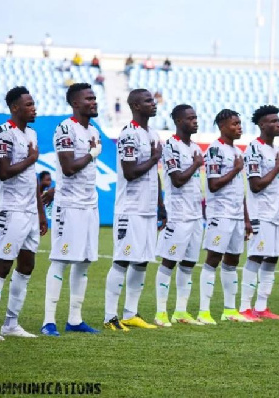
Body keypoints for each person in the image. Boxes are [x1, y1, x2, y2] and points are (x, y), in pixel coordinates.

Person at [0, 87, 49, 340]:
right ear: (15, 108)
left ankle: (11, 323)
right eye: (29, 104)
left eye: (34, 103)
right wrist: (31, 159)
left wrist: (41, 212)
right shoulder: (3, 133)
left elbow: (33, 178)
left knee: (27, 265)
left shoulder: (31, 133)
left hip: (30, 210)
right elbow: (4, 172)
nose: (34, 108)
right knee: (3, 265)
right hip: (11, 210)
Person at [41, 83, 102, 336]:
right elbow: (67, 167)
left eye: (95, 97)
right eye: (89, 98)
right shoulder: (66, 128)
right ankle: (48, 321)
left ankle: (75, 319)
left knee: (85, 261)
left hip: (90, 204)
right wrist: (91, 153)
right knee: (61, 259)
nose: (94, 102)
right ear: (75, 103)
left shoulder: (93, 129)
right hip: (69, 206)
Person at [103, 89, 163, 331]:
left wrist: (161, 204)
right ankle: (110, 317)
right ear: (136, 106)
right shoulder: (129, 134)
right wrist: (154, 157)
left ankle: (130, 313)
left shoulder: (153, 133)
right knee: (122, 260)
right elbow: (130, 172)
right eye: (148, 101)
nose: (153, 103)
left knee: (142, 261)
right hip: (130, 209)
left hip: (148, 209)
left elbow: (153, 173)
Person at [198, 109, 253, 325]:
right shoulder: (214, 150)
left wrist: (246, 218)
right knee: (213, 259)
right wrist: (235, 170)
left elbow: (241, 190)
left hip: (237, 215)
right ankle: (204, 311)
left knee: (233, 260)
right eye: (235, 124)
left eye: (240, 123)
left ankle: (229, 309)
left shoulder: (238, 151)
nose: (239, 127)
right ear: (222, 126)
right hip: (220, 214)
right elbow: (213, 184)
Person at [238, 105, 279, 321]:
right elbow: (255, 185)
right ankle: (244, 307)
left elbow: (277, 189)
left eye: (278, 120)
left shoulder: (276, 150)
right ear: (261, 125)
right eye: (273, 121)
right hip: (260, 213)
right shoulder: (253, 149)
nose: (278, 124)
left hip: (277, 214)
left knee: (273, 259)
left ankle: (261, 307)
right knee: (257, 256)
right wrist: (277, 169)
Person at [153, 104, 204, 326]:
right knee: (169, 262)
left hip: (195, 215)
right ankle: (161, 312)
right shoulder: (171, 147)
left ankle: (181, 311)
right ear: (178, 121)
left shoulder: (195, 147)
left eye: (196, 117)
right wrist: (195, 164)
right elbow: (177, 180)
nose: (195, 121)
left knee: (189, 264)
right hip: (177, 214)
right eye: (190, 118)